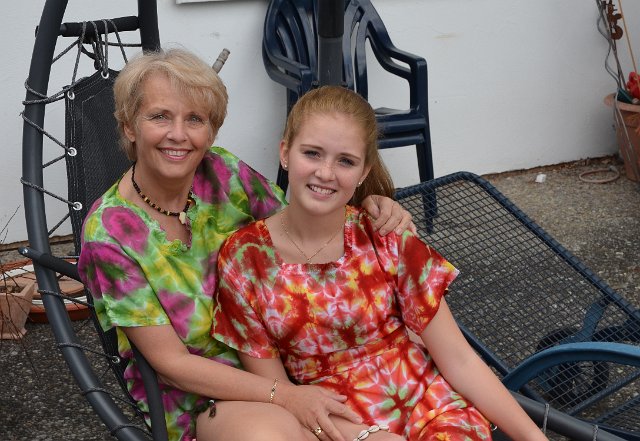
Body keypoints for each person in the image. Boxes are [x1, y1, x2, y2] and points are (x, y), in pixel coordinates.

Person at [77, 48, 413, 441]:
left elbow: (305, 227)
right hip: (205, 402)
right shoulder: (110, 233)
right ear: (129, 127)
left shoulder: (222, 172)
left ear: (212, 131)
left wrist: (370, 207)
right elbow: (172, 364)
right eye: (159, 116)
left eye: (195, 119)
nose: (178, 134)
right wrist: (284, 395)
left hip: (292, 359)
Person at [212, 86, 549, 441]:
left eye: (345, 161)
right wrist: (367, 436)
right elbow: (279, 393)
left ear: (363, 171)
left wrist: (535, 439)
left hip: (432, 410)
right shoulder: (245, 259)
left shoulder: (385, 236)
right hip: (333, 426)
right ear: (285, 153)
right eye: (312, 153)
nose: (326, 172)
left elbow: (459, 360)